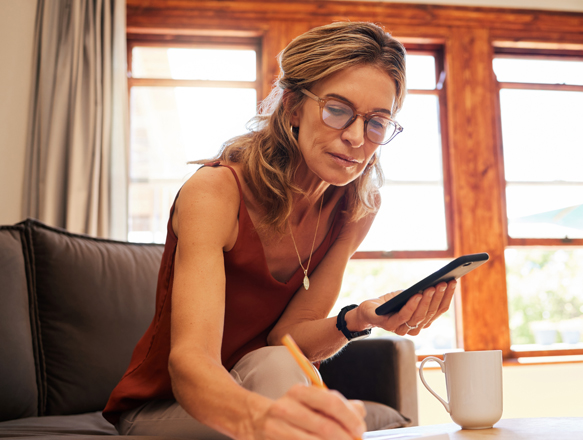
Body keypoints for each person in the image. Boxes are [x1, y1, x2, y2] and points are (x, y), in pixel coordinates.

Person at [103, 22, 456, 440]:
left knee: (276, 363)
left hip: (262, 380)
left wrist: (360, 318)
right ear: (291, 107)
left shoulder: (357, 206)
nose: (357, 138)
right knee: (283, 392)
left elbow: (287, 337)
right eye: (337, 110)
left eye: (377, 122)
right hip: (168, 405)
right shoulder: (215, 193)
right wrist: (263, 420)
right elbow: (190, 362)